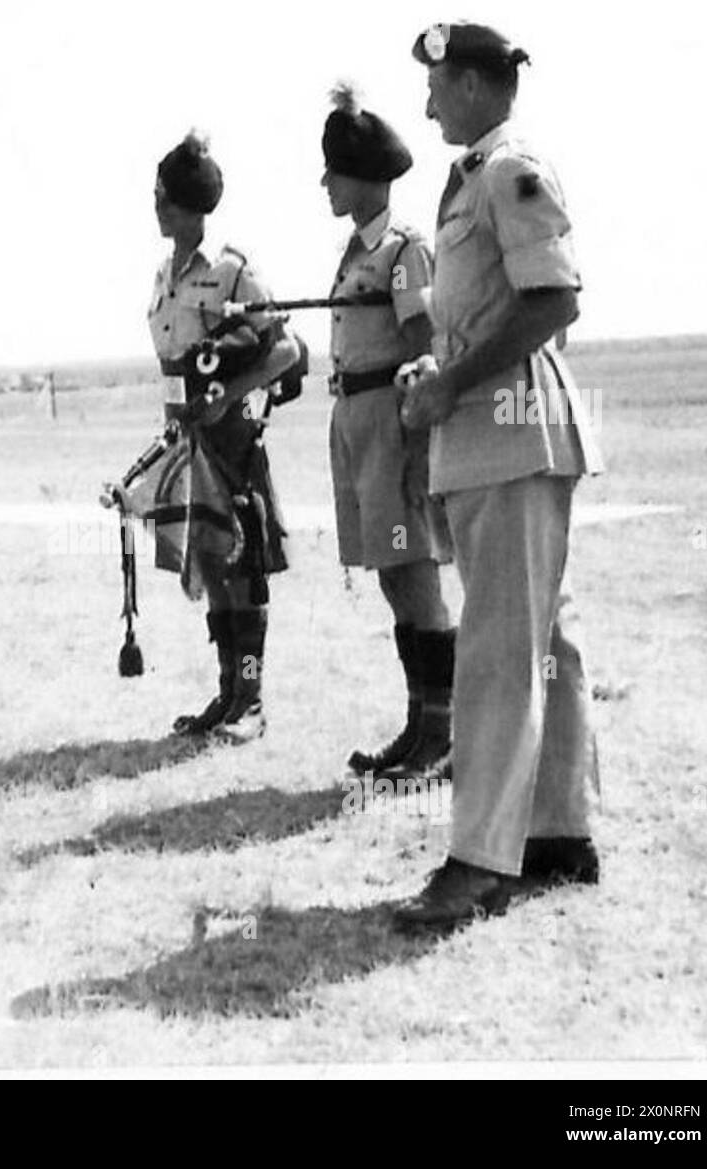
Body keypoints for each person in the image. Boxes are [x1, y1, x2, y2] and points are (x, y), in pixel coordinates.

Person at [395, 22, 605, 928]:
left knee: (496, 652)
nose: (429, 101)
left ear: (476, 85)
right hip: (498, 435)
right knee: (542, 644)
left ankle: (480, 860)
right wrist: (435, 370)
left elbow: (554, 298)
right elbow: (483, 312)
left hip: (510, 436)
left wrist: (450, 381)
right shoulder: (473, 177)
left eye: (438, 84)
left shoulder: (509, 168)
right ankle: (558, 833)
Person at [138, 130, 302, 743]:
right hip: (184, 437)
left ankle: (252, 701)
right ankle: (228, 692)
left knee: (241, 564)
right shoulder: (164, 275)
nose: (157, 208)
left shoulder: (231, 269)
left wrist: (229, 397)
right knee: (210, 562)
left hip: (229, 434)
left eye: (164, 198)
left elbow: (282, 348)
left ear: (187, 205)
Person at [320, 82, 456, 784]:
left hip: (393, 422)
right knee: (393, 578)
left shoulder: (405, 251)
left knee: (415, 572)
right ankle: (419, 725)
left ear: (366, 176)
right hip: (356, 422)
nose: (327, 184)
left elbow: (421, 342)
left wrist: (416, 441)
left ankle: (445, 733)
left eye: (335, 172)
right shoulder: (354, 251)